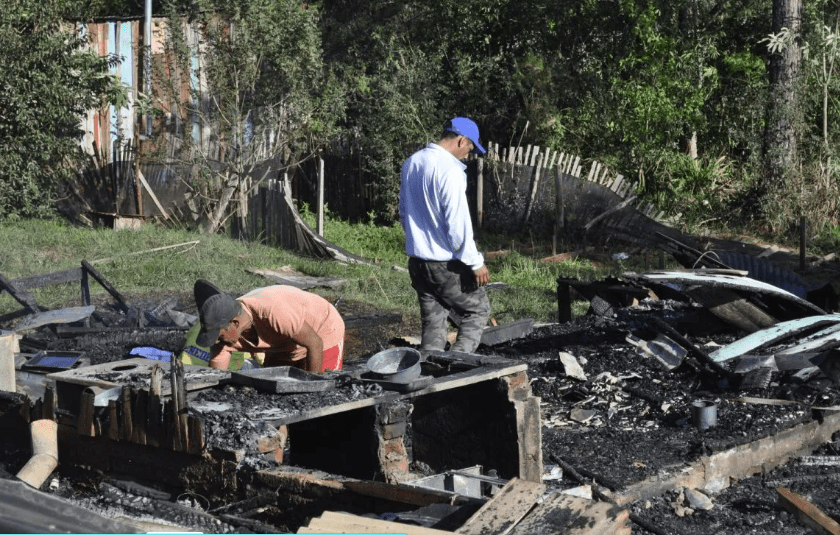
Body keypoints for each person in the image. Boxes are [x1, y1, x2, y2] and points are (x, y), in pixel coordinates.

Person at [399, 117, 491, 353]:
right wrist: (475, 262)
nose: (468, 156)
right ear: (461, 140)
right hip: (443, 264)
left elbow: (403, 211)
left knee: (434, 320)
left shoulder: (412, 162)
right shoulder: (449, 169)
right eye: (470, 149)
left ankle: (431, 371)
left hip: (418, 262)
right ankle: (458, 364)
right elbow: (457, 222)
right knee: (478, 309)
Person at [192, 280, 345, 373]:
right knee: (274, 394)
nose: (218, 343)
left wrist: (314, 388)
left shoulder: (273, 312)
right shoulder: (224, 336)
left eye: (219, 337)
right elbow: (217, 378)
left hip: (322, 331)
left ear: (235, 323)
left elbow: (315, 343)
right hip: (283, 343)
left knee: (318, 399)